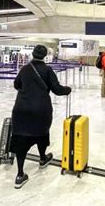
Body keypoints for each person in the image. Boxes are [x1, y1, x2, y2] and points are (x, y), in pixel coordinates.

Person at [10, 45, 72, 189]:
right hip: (40, 109)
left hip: (21, 109)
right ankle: (43, 158)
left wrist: (27, 91)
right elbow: (57, 89)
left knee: (21, 138)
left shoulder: (25, 69)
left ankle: (20, 174)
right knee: (41, 134)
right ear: (45, 56)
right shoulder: (47, 70)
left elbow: (16, 84)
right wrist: (68, 90)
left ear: (32, 54)